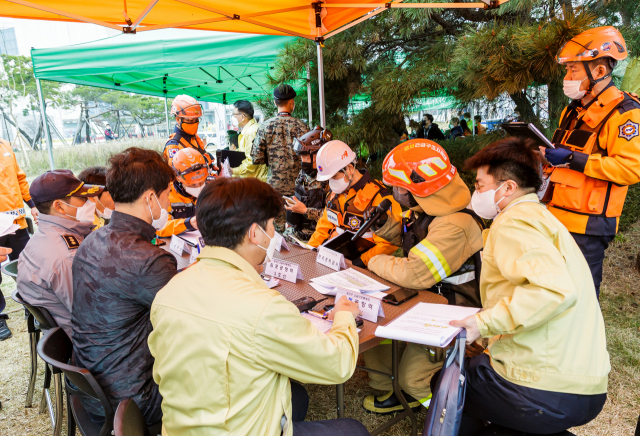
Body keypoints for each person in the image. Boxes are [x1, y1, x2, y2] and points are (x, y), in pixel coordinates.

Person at [148, 176, 369, 436]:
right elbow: (338, 364)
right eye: (272, 224)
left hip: (183, 426)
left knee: (297, 398)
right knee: (353, 430)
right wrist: (343, 316)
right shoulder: (262, 307)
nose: (274, 232)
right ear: (254, 233)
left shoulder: (168, 292)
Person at [448, 137, 609, 435]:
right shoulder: (542, 217)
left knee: (453, 382)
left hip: (546, 386)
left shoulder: (513, 223)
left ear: (508, 187)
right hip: (585, 381)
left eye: (480, 185)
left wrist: (481, 323)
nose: (475, 193)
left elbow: (552, 290)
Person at [360, 140, 484, 414]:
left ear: (419, 190)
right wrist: (386, 227)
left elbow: (415, 273)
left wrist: (372, 260)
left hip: (451, 311)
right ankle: (391, 389)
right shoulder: (434, 209)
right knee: (376, 325)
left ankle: (452, 418)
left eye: (398, 188)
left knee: (414, 378)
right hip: (430, 299)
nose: (394, 193)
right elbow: (418, 241)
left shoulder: (455, 225)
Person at [71, 147, 177, 427]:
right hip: (136, 400)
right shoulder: (149, 260)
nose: (169, 203)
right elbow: (194, 321)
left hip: (92, 387)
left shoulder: (91, 241)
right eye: (167, 194)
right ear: (151, 197)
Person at [542, 26, 640, 299]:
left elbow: (630, 169)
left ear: (598, 72)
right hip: (555, 216)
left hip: (589, 225)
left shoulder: (625, 113)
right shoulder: (572, 110)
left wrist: (573, 159)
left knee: (581, 298)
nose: (567, 77)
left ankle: (587, 342)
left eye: (573, 69)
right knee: (553, 294)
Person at [17, 170, 103, 339]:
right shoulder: (67, 257)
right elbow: (94, 318)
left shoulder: (43, 236)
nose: (90, 203)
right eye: (83, 199)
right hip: (91, 344)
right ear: (59, 206)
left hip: (67, 332)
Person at [307, 140, 402, 268]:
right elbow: (322, 228)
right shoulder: (334, 195)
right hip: (331, 262)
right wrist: (309, 250)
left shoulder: (380, 198)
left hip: (364, 267)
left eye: (334, 176)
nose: (331, 183)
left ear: (350, 169)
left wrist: (361, 262)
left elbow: (388, 243)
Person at [251, 84, 309, 233]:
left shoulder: (264, 127)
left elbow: (256, 158)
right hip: (298, 189)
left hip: (274, 188)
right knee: (296, 230)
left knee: (274, 233)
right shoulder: (302, 127)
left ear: (275, 103)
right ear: (292, 103)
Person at [0, 138, 39, 340]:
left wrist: (31, 203)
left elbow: (20, 178)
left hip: (16, 221)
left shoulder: (5, 145)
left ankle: (30, 305)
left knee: (25, 265)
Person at [284, 126, 332, 242]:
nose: (303, 162)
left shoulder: (331, 180)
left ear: (321, 155)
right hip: (296, 233)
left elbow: (333, 217)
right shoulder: (303, 174)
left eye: (306, 158)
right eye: (301, 158)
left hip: (317, 238)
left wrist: (305, 211)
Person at [156, 148, 207, 237]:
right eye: (193, 185)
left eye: (202, 182)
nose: (199, 187)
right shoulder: (166, 194)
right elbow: (161, 228)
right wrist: (189, 223)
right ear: (178, 178)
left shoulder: (210, 189)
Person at [163, 94, 216, 173]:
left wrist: (211, 164)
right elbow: (178, 175)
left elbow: (203, 154)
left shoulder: (195, 137)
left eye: (196, 119)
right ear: (178, 119)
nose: (194, 123)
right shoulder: (174, 145)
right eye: (190, 120)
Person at [231, 100, 268, 182]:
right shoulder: (253, 128)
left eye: (234, 115)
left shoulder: (251, 133)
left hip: (256, 181)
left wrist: (233, 170)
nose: (233, 117)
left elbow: (251, 163)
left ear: (242, 116)